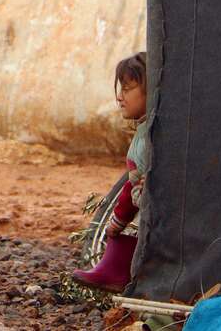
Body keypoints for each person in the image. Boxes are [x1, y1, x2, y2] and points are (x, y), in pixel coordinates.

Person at [72, 52, 148, 293]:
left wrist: (117, 219)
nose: (119, 97)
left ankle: (116, 272)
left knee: (127, 222)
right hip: (144, 202)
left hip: (153, 210)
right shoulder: (145, 132)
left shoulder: (150, 138)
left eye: (127, 89)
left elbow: (134, 185)